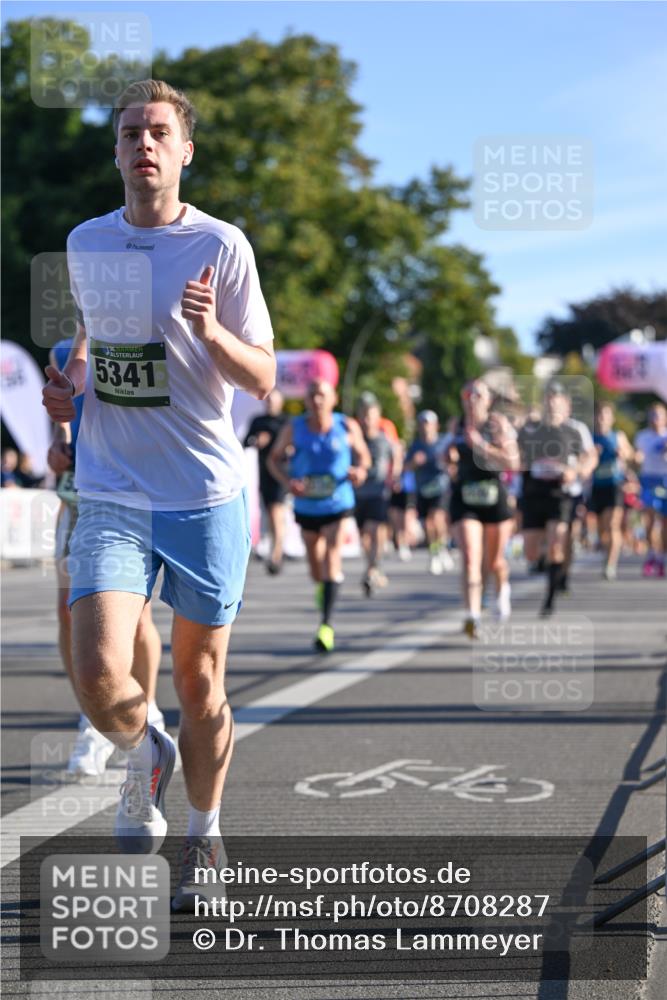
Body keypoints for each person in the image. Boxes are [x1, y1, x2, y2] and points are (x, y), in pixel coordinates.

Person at [41, 79, 275, 912]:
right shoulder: (84, 241)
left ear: (183, 151)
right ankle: (147, 752)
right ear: (115, 152)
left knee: (200, 681)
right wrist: (67, 389)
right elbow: (89, 343)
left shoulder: (224, 246)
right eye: (130, 131)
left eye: (158, 132)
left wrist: (212, 334)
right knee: (98, 668)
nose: (143, 143)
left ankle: (203, 833)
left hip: (204, 492)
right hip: (112, 487)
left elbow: (266, 378)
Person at [47, 338, 166, 777]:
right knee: (68, 612)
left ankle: (147, 709)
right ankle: (93, 721)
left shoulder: (140, 334)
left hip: (127, 492)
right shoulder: (62, 350)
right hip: (78, 495)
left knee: (135, 620)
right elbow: (61, 418)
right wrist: (59, 445)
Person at [267, 379, 370, 651]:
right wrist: (288, 481)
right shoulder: (295, 427)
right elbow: (273, 459)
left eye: (322, 395)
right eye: (312, 395)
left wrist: (359, 472)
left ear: (333, 398)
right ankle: (323, 586)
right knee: (316, 566)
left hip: (338, 503)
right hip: (307, 507)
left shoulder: (347, 426)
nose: (317, 400)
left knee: (332, 557)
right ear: (306, 400)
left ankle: (326, 625)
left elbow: (364, 457)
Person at [446, 380, 519, 637]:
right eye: (468, 394)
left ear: (488, 400)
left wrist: (482, 447)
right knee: (470, 557)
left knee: (495, 561)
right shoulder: (456, 425)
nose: (473, 398)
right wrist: (449, 460)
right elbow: (447, 457)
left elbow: (513, 461)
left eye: (479, 394)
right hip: (465, 497)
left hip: (493, 495)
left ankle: (502, 592)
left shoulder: (497, 424)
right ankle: (472, 615)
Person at [518, 383, 586, 617]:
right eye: (549, 402)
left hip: (561, 494)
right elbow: (517, 453)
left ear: (566, 407)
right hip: (535, 493)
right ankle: (545, 561)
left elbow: (589, 457)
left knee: (558, 543)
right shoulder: (532, 430)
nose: (552, 406)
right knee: (531, 552)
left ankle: (549, 599)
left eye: (557, 403)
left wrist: (575, 472)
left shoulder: (574, 431)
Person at [354, 396, 400, 596]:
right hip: (358, 493)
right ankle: (372, 565)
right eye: (363, 416)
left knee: (374, 529)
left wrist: (394, 475)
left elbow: (396, 453)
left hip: (378, 492)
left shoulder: (384, 439)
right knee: (363, 535)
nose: (366, 420)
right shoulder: (354, 439)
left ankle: (372, 569)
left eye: (370, 416)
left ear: (377, 417)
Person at [243, 389, 288, 574]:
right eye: (267, 400)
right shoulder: (258, 421)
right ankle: (273, 547)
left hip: (281, 473)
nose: (270, 403)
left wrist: (288, 449)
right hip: (264, 473)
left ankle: (276, 554)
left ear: (281, 402)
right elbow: (245, 442)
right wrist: (256, 440)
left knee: (277, 512)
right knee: (269, 512)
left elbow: (296, 444)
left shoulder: (286, 422)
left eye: (273, 400)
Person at [405, 410, 453, 575]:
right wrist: (414, 462)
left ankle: (442, 547)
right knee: (428, 524)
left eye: (428, 423)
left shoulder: (444, 441)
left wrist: (449, 460)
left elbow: (454, 458)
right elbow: (405, 467)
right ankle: (435, 552)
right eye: (422, 423)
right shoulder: (416, 445)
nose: (425, 427)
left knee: (437, 519)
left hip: (441, 487)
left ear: (435, 426)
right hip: (423, 489)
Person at [590, 401, 634, 580]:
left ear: (612, 418)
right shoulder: (591, 438)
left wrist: (622, 453)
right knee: (602, 530)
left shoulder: (618, 436)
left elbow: (632, 455)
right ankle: (607, 552)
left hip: (614, 485)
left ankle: (610, 565)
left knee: (613, 524)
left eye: (605, 415)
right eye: (599, 415)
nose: (602, 419)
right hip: (596, 485)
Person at [634, 402, 667, 577]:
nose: (655, 419)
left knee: (664, 524)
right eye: (652, 415)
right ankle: (651, 555)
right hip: (648, 480)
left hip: (665, 479)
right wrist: (636, 458)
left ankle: (661, 558)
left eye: (658, 415)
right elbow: (637, 456)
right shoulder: (642, 436)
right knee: (649, 520)